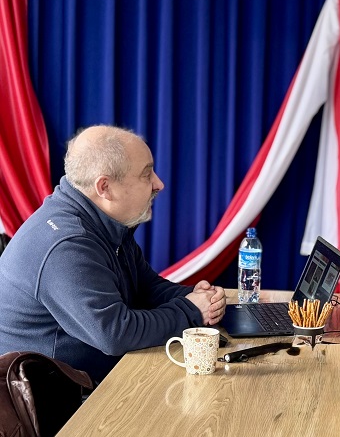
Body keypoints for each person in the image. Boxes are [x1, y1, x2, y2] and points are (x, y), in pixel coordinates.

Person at [0, 125, 226, 383]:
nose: (159, 184)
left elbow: (146, 288)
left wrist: (196, 297)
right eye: (146, 174)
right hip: (57, 398)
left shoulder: (104, 222)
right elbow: (115, 334)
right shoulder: (67, 245)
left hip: (92, 379)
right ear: (105, 187)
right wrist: (191, 311)